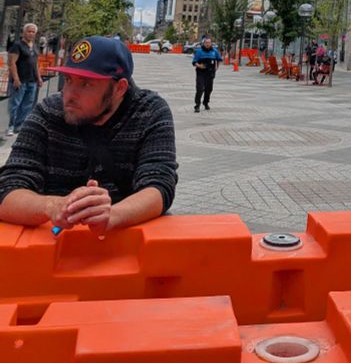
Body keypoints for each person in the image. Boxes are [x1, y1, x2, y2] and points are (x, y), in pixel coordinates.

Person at [0, 36, 178, 232]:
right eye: (68, 80)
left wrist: (111, 215)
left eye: (86, 84)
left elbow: (159, 186)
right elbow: (7, 189)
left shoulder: (150, 112)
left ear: (120, 88)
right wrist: (52, 206)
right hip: (53, 242)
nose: (69, 95)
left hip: (123, 241)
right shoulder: (48, 112)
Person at [7, 23, 43, 136]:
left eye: (33, 32)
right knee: (15, 104)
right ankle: (11, 126)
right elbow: (11, 63)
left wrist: (39, 77)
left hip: (32, 80)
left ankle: (19, 126)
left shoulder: (35, 46)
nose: (31, 33)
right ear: (24, 32)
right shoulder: (17, 45)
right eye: (29, 31)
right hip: (20, 80)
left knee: (27, 104)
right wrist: (16, 79)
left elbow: (35, 64)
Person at [192, 35, 222, 112]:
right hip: (201, 73)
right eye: (206, 43)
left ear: (211, 43)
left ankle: (205, 102)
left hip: (210, 72)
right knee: (200, 89)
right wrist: (199, 65)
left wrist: (217, 67)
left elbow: (219, 59)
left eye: (209, 43)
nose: (207, 44)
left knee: (209, 89)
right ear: (203, 43)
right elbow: (194, 62)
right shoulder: (199, 51)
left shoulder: (214, 51)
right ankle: (197, 105)